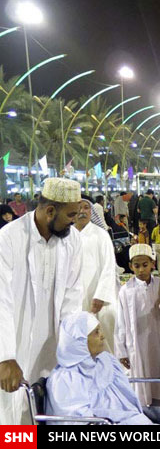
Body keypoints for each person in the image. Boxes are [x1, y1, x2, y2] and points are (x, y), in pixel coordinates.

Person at [0, 178, 83, 424]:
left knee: (47, 415)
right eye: (70, 214)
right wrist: (5, 356)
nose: (74, 220)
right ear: (49, 211)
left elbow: (72, 299)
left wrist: (72, 352)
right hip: (15, 350)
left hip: (53, 352)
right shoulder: (9, 238)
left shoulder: (73, 240)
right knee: (15, 420)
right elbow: (1, 299)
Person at [46, 312, 152, 425]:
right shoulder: (66, 378)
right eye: (96, 332)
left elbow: (126, 401)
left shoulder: (106, 360)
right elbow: (75, 419)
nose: (103, 336)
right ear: (80, 341)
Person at [114, 244, 160, 406]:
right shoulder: (126, 291)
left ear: (152, 264)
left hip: (159, 342)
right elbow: (121, 323)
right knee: (142, 386)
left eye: (145, 265)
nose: (141, 270)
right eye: (136, 266)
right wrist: (122, 351)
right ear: (130, 266)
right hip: (137, 345)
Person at [75, 196, 118, 353]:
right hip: (75, 298)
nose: (82, 211)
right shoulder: (67, 236)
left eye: (86, 208)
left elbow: (108, 266)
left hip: (98, 297)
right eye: (78, 207)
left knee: (103, 336)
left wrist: (101, 295)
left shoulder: (100, 234)